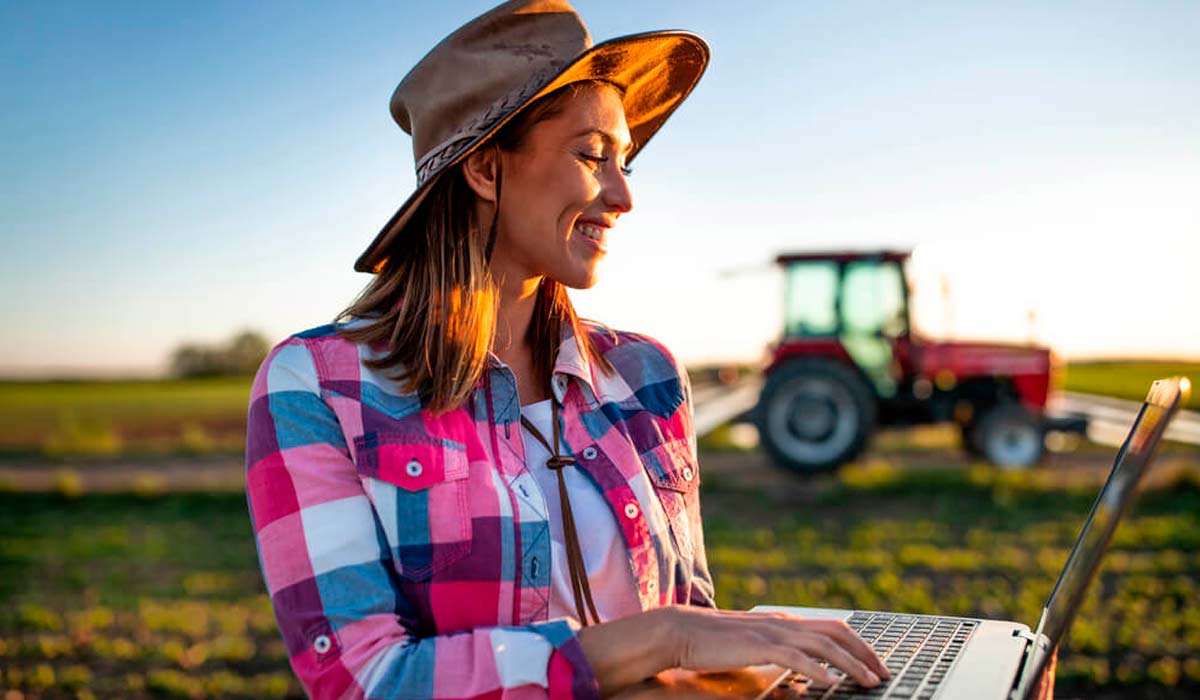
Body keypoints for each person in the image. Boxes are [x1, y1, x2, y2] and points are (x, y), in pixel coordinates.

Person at [245, 1, 892, 698]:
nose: (622, 196)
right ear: (486, 170)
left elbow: (696, 629)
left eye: (626, 165)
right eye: (592, 155)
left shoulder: (647, 376)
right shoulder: (317, 387)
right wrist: (658, 637)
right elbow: (367, 681)